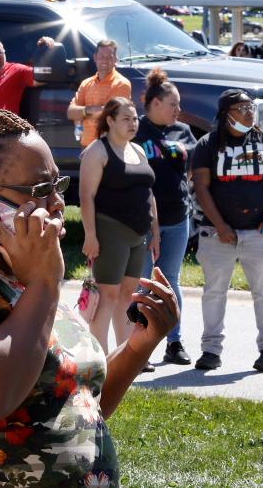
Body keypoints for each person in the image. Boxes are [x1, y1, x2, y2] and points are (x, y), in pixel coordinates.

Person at [0, 107, 179, 486]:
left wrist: (139, 345)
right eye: (39, 190)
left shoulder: (21, 266)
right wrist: (44, 284)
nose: (57, 203)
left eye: (58, 186)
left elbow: (74, 404)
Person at [191, 89, 263, 373]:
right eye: (243, 108)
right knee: (214, 293)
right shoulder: (207, 145)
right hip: (216, 234)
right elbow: (201, 187)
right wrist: (220, 225)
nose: (249, 113)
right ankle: (210, 350)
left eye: (251, 107)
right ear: (226, 114)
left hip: (258, 234)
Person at [79, 97, 158, 356]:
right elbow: (86, 197)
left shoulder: (139, 150)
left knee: (127, 296)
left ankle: (123, 356)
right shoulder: (97, 151)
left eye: (135, 118)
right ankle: (100, 361)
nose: (133, 123)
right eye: (126, 118)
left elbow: (148, 193)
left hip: (139, 235)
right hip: (110, 231)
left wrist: (155, 232)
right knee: (107, 297)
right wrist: (90, 235)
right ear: (110, 120)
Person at [134, 68, 197, 367]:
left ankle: (175, 342)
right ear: (155, 103)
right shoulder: (137, 131)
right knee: (144, 283)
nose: (178, 110)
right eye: (173, 104)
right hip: (145, 220)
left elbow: (192, 170)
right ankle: (141, 345)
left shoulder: (183, 132)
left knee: (170, 280)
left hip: (178, 218)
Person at [67, 39, 133, 148]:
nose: (105, 60)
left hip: (110, 149)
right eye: (101, 56)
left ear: (115, 59)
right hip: (86, 147)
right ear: (95, 58)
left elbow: (109, 115)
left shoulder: (122, 84)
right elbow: (71, 113)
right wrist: (89, 110)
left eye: (109, 57)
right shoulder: (86, 83)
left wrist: (83, 113)